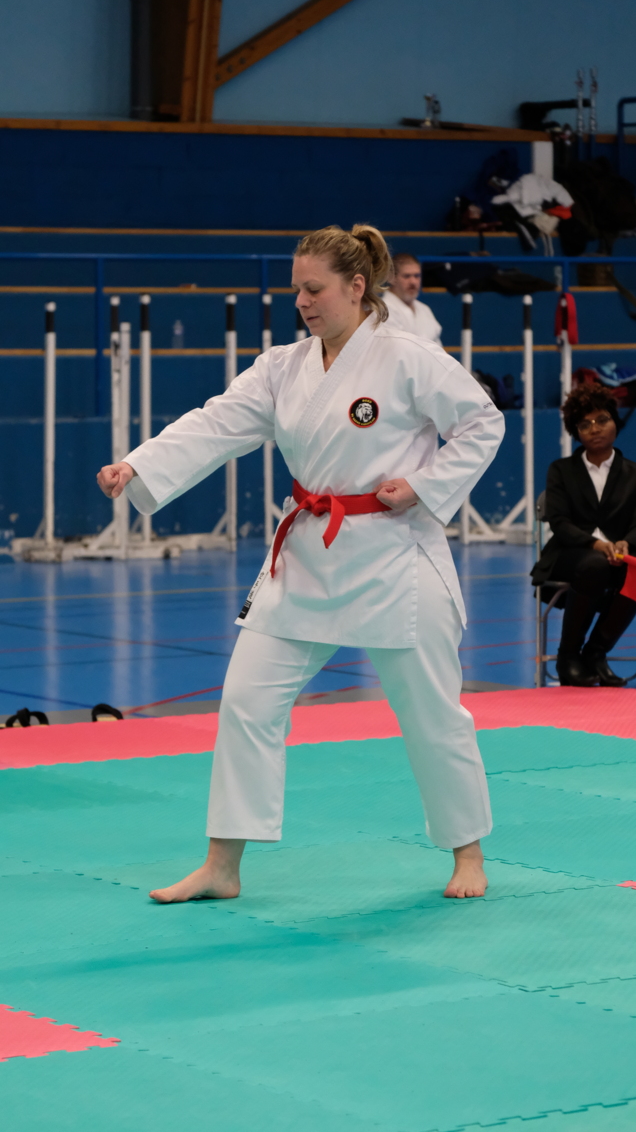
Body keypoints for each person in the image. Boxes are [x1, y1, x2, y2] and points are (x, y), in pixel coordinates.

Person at [97, 224, 504, 902]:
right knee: (246, 701)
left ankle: (468, 854)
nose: (302, 302)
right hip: (309, 554)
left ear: (356, 286)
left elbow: (482, 422)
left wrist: (424, 485)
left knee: (431, 713)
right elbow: (216, 422)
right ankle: (222, 865)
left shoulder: (408, 357)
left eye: (314, 289)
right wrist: (139, 464)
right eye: (296, 290)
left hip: (394, 556)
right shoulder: (283, 367)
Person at [531, 382, 636, 687]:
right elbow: (560, 523)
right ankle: (567, 657)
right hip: (568, 554)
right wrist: (596, 545)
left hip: (621, 554)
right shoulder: (561, 470)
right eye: (585, 424)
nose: (595, 429)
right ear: (576, 432)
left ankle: (595, 653)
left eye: (602, 420)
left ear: (615, 422)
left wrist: (627, 543)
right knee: (594, 564)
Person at [383, 253, 442, 342]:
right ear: (392, 278)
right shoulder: (383, 311)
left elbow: (437, 346)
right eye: (407, 276)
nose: (413, 282)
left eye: (417, 276)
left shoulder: (424, 309)